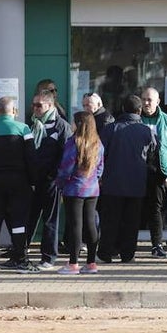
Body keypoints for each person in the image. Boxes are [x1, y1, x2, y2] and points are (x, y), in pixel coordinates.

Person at [0, 97, 36, 271]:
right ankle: (21, 259)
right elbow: (31, 159)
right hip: (20, 181)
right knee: (18, 221)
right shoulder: (24, 129)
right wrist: (33, 181)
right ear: (14, 112)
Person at [97, 95, 157, 263]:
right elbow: (153, 154)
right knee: (132, 221)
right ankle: (127, 253)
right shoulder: (146, 131)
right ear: (139, 111)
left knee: (110, 220)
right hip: (136, 183)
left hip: (112, 182)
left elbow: (100, 154)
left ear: (123, 109)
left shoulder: (111, 129)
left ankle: (106, 252)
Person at [55, 111, 105, 275]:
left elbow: (66, 168)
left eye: (74, 122)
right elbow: (100, 169)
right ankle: (91, 263)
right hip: (92, 189)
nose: (72, 125)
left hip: (74, 189)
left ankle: (73, 263)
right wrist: (93, 180)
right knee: (91, 224)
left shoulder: (73, 142)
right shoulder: (98, 143)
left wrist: (60, 183)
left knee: (76, 225)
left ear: (80, 124)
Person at [27, 89, 71, 270]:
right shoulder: (32, 124)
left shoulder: (61, 126)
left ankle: (48, 258)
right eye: (33, 105)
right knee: (29, 217)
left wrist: (54, 176)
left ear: (50, 105)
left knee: (50, 220)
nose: (35, 108)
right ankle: (20, 254)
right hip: (34, 181)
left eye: (39, 105)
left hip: (51, 181)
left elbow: (66, 155)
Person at [140, 87, 167, 260]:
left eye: (149, 99)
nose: (146, 103)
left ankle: (157, 245)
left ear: (158, 101)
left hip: (160, 171)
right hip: (138, 170)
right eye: (144, 99)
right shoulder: (136, 119)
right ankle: (126, 244)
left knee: (156, 209)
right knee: (135, 208)